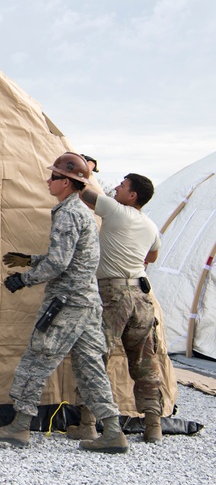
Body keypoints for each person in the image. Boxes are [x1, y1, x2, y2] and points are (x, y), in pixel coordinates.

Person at [0, 152, 128, 453]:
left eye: (53, 177)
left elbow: (59, 264)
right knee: (91, 367)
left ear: (66, 182)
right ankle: (113, 430)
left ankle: (20, 426)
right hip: (87, 303)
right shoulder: (82, 213)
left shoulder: (67, 213)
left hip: (67, 304)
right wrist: (29, 260)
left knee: (37, 358)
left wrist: (23, 279)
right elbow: (72, 259)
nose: (48, 181)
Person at [66, 173, 165, 443]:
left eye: (122, 186)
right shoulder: (150, 225)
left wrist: (82, 169)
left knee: (95, 356)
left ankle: (88, 423)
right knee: (146, 362)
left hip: (113, 294)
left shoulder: (117, 210)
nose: (116, 189)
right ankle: (153, 426)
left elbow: (83, 192)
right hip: (142, 297)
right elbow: (152, 256)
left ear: (132, 196)